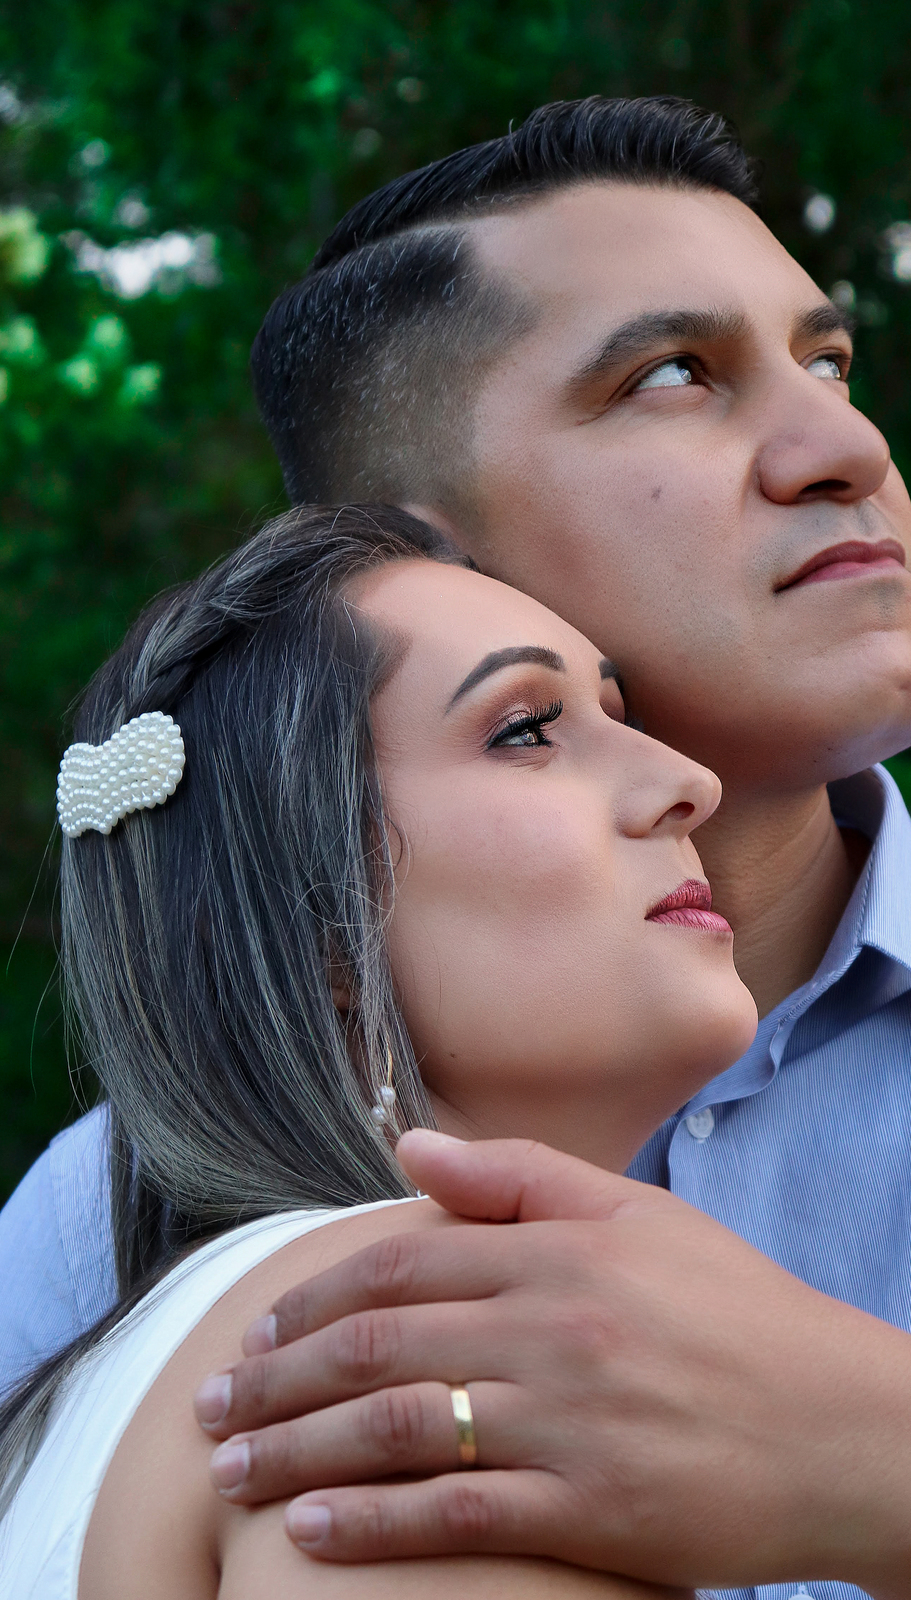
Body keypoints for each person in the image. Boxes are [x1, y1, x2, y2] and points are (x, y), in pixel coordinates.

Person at [2, 96, 911, 1599]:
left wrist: (903, 1461)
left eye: (831, 364)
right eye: (674, 374)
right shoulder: (103, 1221)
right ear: (412, 557)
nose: (846, 446)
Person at [0, 500, 754, 1597]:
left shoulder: (102, 1396)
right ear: (315, 931)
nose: (690, 780)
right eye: (526, 728)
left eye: (619, 712)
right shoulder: (410, 1348)